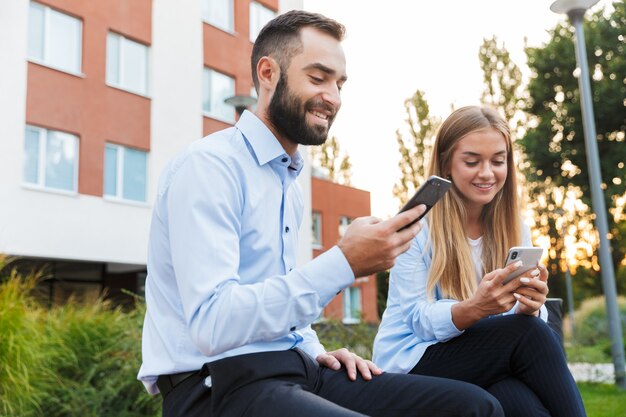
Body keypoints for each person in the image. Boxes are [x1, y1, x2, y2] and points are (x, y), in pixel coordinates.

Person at [138, 10, 506, 417]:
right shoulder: (209, 167)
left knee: (475, 406)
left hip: (291, 368)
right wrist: (345, 262)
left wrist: (315, 349)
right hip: (214, 384)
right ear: (267, 73)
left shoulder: (288, 183)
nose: (333, 97)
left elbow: (275, 298)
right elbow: (212, 324)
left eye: (339, 83)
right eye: (318, 78)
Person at [373, 105, 587, 417]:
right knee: (531, 334)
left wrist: (531, 307)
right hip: (410, 363)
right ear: (447, 163)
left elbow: (507, 326)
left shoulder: (515, 228)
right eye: (472, 161)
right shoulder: (416, 227)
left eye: (498, 161)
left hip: (479, 358)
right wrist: (474, 309)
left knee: (518, 402)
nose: (487, 173)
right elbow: (416, 320)